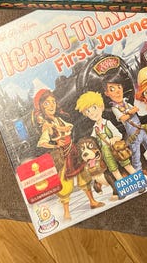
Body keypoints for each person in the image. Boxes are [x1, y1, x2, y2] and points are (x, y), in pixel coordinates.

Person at [33, 88, 103, 219]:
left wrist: (62, 128)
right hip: (63, 154)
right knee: (65, 183)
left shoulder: (58, 119)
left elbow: (69, 126)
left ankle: (92, 201)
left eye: (53, 102)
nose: (52, 105)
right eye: (47, 103)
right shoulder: (46, 125)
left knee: (84, 175)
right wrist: (56, 144)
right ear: (41, 107)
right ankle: (66, 213)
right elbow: (42, 143)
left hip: (73, 149)